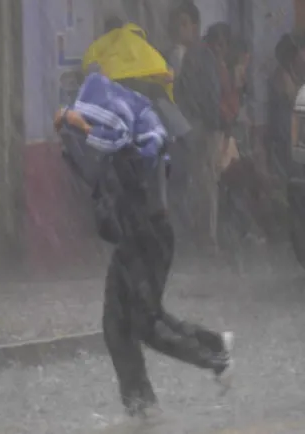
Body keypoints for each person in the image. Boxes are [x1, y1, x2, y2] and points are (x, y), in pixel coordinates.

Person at [54, 71, 234, 418]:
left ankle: (217, 361)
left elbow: (116, 143)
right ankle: (142, 407)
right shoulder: (115, 141)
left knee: (146, 324)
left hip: (148, 237)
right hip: (132, 239)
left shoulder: (131, 138)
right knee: (116, 325)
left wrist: (79, 126)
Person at [174, 22, 236, 249]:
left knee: (200, 180)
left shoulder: (196, 56)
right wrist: (218, 123)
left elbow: (183, 90)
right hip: (208, 127)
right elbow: (211, 96)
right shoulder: (209, 60)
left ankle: (198, 234)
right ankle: (207, 238)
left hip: (195, 124)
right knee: (207, 183)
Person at [267, 33, 305, 178]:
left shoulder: (292, 73)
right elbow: (294, 98)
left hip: (291, 127)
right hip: (284, 128)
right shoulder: (281, 75)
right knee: (289, 167)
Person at [166, 2, 201, 78]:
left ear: (194, 29)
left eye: (183, 24)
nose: (178, 28)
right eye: (175, 23)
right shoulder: (162, 56)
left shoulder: (203, 59)